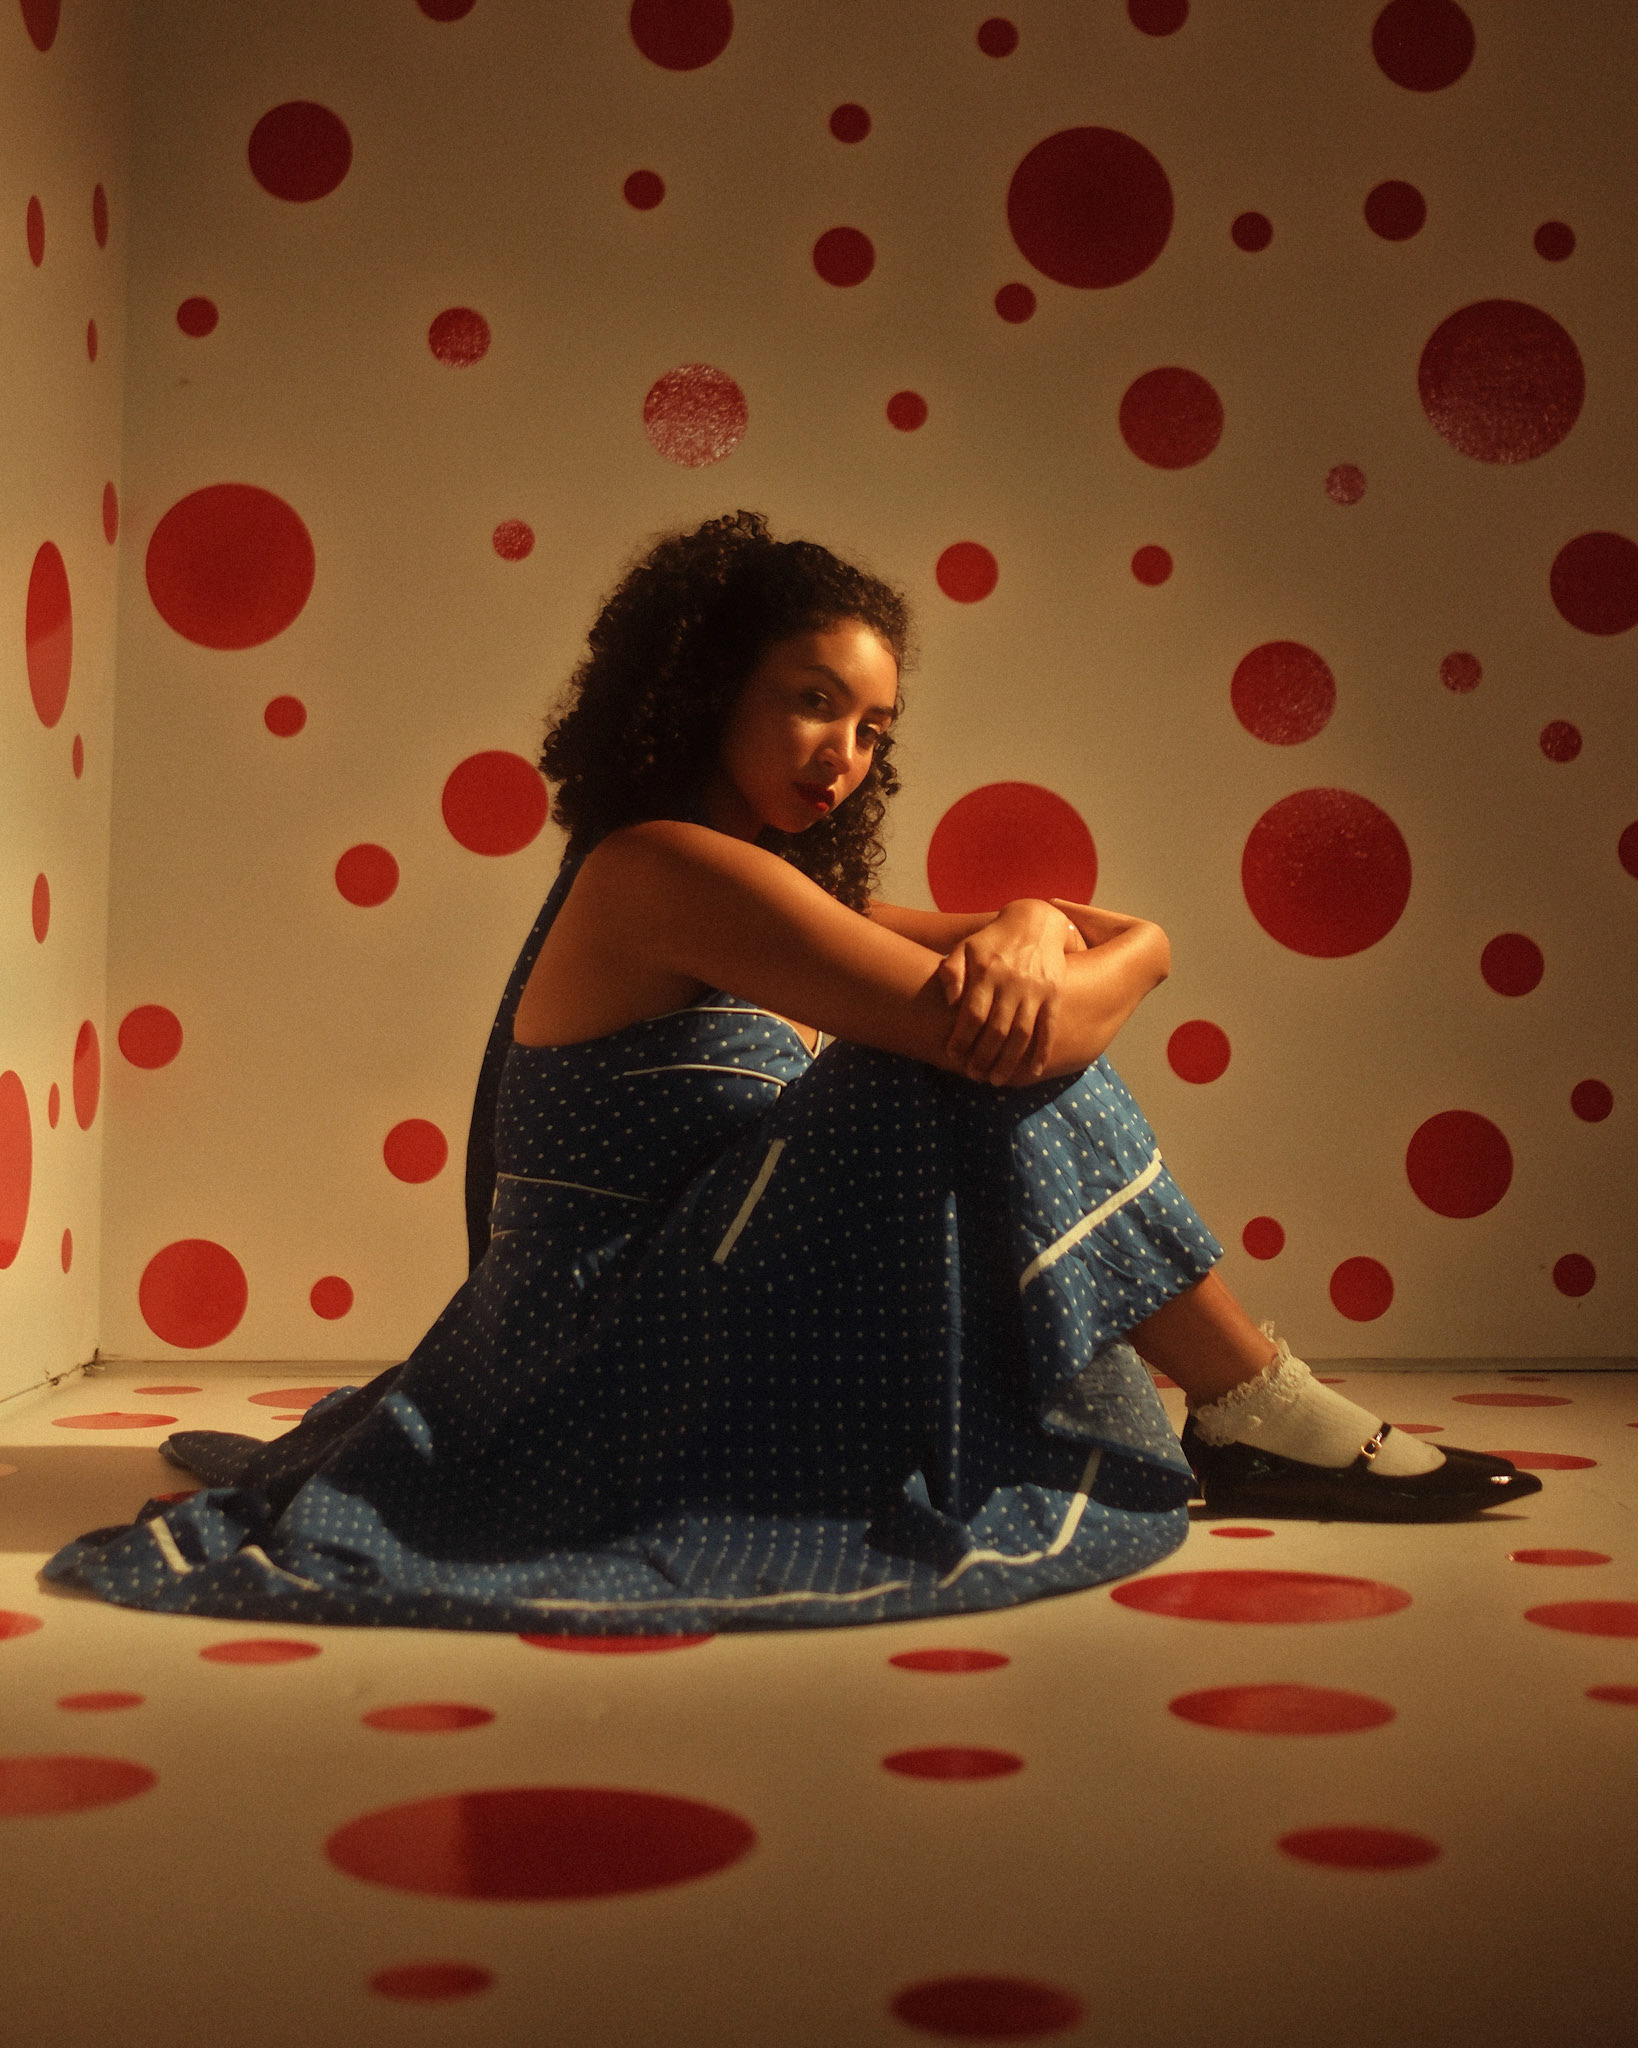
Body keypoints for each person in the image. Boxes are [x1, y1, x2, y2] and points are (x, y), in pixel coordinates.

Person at [43, 512, 1538, 1634]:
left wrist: (1037, 919)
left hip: (690, 1303)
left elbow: (1058, 956)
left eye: (874, 729)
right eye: (813, 701)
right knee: (944, 1064)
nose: (846, 754)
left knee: (962, 1036)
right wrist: (1106, 946)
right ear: (707, 688)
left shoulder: (756, 885)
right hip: (601, 1352)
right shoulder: (664, 870)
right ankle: (1255, 1405)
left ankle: (1254, 1408)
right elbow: (1026, 1027)